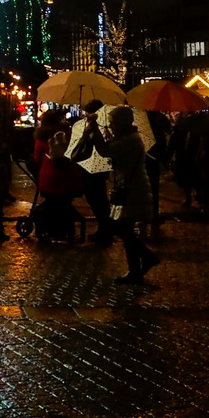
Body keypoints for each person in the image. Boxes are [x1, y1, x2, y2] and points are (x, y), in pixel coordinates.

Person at [84, 106, 158, 284]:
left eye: (113, 123)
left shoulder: (129, 141)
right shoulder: (128, 138)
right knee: (125, 230)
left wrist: (95, 131)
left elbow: (105, 151)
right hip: (130, 186)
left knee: (120, 228)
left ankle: (146, 258)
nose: (111, 126)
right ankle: (135, 270)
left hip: (133, 189)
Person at [71, 99, 114, 244]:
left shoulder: (103, 126)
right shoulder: (89, 126)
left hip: (96, 167)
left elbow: (102, 148)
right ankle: (104, 229)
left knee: (98, 199)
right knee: (96, 199)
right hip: (89, 166)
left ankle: (105, 230)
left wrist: (93, 131)